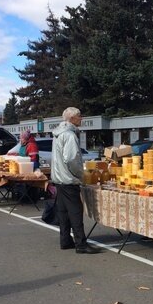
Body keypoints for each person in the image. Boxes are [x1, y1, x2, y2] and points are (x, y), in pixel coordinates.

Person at [51, 107, 100, 254]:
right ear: (71, 119)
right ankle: (81, 244)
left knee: (63, 212)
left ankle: (65, 240)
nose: (81, 119)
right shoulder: (70, 135)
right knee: (75, 211)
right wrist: (81, 174)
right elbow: (72, 159)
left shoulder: (58, 134)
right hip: (69, 179)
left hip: (59, 178)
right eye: (79, 116)